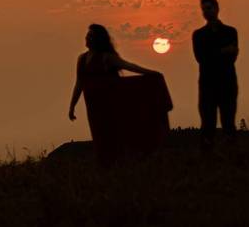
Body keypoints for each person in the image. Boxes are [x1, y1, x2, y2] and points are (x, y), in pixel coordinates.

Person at [68, 24, 172, 164]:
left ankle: (120, 163)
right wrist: (72, 106)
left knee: (113, 133)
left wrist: (152, 73)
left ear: (97, 39)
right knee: (99, 133)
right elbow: (79, 83)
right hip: (93, 104)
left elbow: (129, 66)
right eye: (87, 35)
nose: (87, 38)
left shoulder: (106, 57)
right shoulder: (82, 59)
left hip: (110, 103)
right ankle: (105, 164)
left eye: (91, 36)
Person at [192, 0, 239, 150]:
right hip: (207, 85)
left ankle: (231, 155)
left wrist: (214, 54)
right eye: (204, 9)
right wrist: (223, 51)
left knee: (228, 122)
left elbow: (232, 57)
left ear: (217, 9)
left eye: (209, 8)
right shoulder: (198, 35)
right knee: (208, 123)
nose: (206, 12)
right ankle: (207, 158)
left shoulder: (231, 32)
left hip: (227, 83)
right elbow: (201, 58)